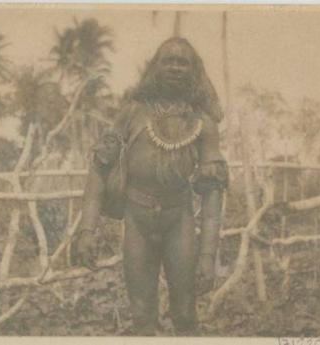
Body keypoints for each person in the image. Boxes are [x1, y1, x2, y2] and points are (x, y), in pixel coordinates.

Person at [72, 37, 228, 336]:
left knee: (184, 313)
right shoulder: (132, 112)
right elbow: (99, 171)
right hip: (137, 221)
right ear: (156, 67)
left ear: (194, 70)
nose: (175, 67)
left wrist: (207, 257)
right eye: (168, 60)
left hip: (178, 219)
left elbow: (212, 197)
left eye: (183, 62)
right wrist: (86, 232)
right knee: (141, 316)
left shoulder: (203, 123)